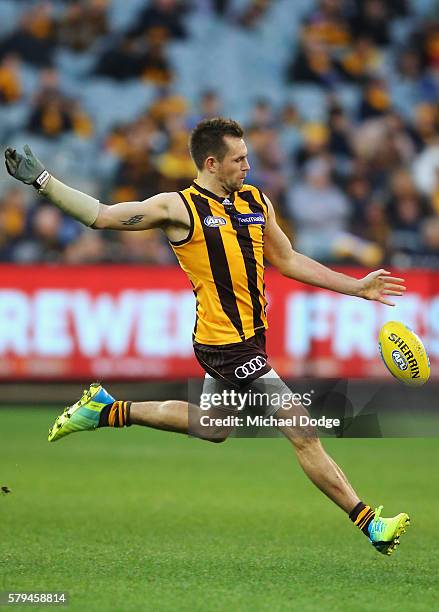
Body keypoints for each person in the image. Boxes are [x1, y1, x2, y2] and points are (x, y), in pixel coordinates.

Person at [5, 117, 409, 555]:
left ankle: (107, 409)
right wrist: (42, 182)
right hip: (222, 344)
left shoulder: (256, 201)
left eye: (248, 156)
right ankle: (370, 524)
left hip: (251, 339)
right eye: (239, 159)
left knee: (214, 428)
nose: (248, 166)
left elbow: (288, 260)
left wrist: (358, 287)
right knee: (302, 428)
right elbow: (101, 216)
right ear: (212, 163)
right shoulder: (177, 208)